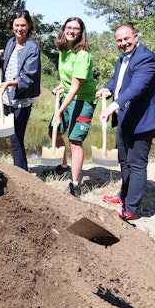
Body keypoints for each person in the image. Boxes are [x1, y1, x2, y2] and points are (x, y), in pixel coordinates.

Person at [98, 23, 155, 221]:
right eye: (119, 40)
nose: (123, 43)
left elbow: (136, 88)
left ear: (136, 37)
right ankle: (123, 196)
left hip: (143, 121)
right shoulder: (124, 58)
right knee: (124, 161)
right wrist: (108, 89)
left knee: (136, 164)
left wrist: (113, 105)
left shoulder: (146, 59)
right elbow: (118, 81)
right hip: (126, 118)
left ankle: (132, 209)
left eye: (127, 38)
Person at [0, 9, 40, 170]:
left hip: (20, 101)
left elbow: (28, 77)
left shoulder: (32, 48)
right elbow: (6, 68)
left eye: (23, 25)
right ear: (12, 26)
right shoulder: (10, 43)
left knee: (15, 139)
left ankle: (21, 175)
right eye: (16, 25)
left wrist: (8, 84)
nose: (19, 29)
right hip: (3, 97)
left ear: (29, 26)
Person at [48, 17, 97, 197]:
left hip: (83, 100)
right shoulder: (63, 50)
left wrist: (59, 111)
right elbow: (69, 79)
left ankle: (75, 184)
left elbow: (77, 87)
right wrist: (62, 85)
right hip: (70, 96)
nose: (71, 31)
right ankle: (62, 167)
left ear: (81, 33)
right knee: (54, 131)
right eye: (68, 27)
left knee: (75, 141)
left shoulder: (83, 54)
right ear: (63, 30)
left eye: (76, 29)